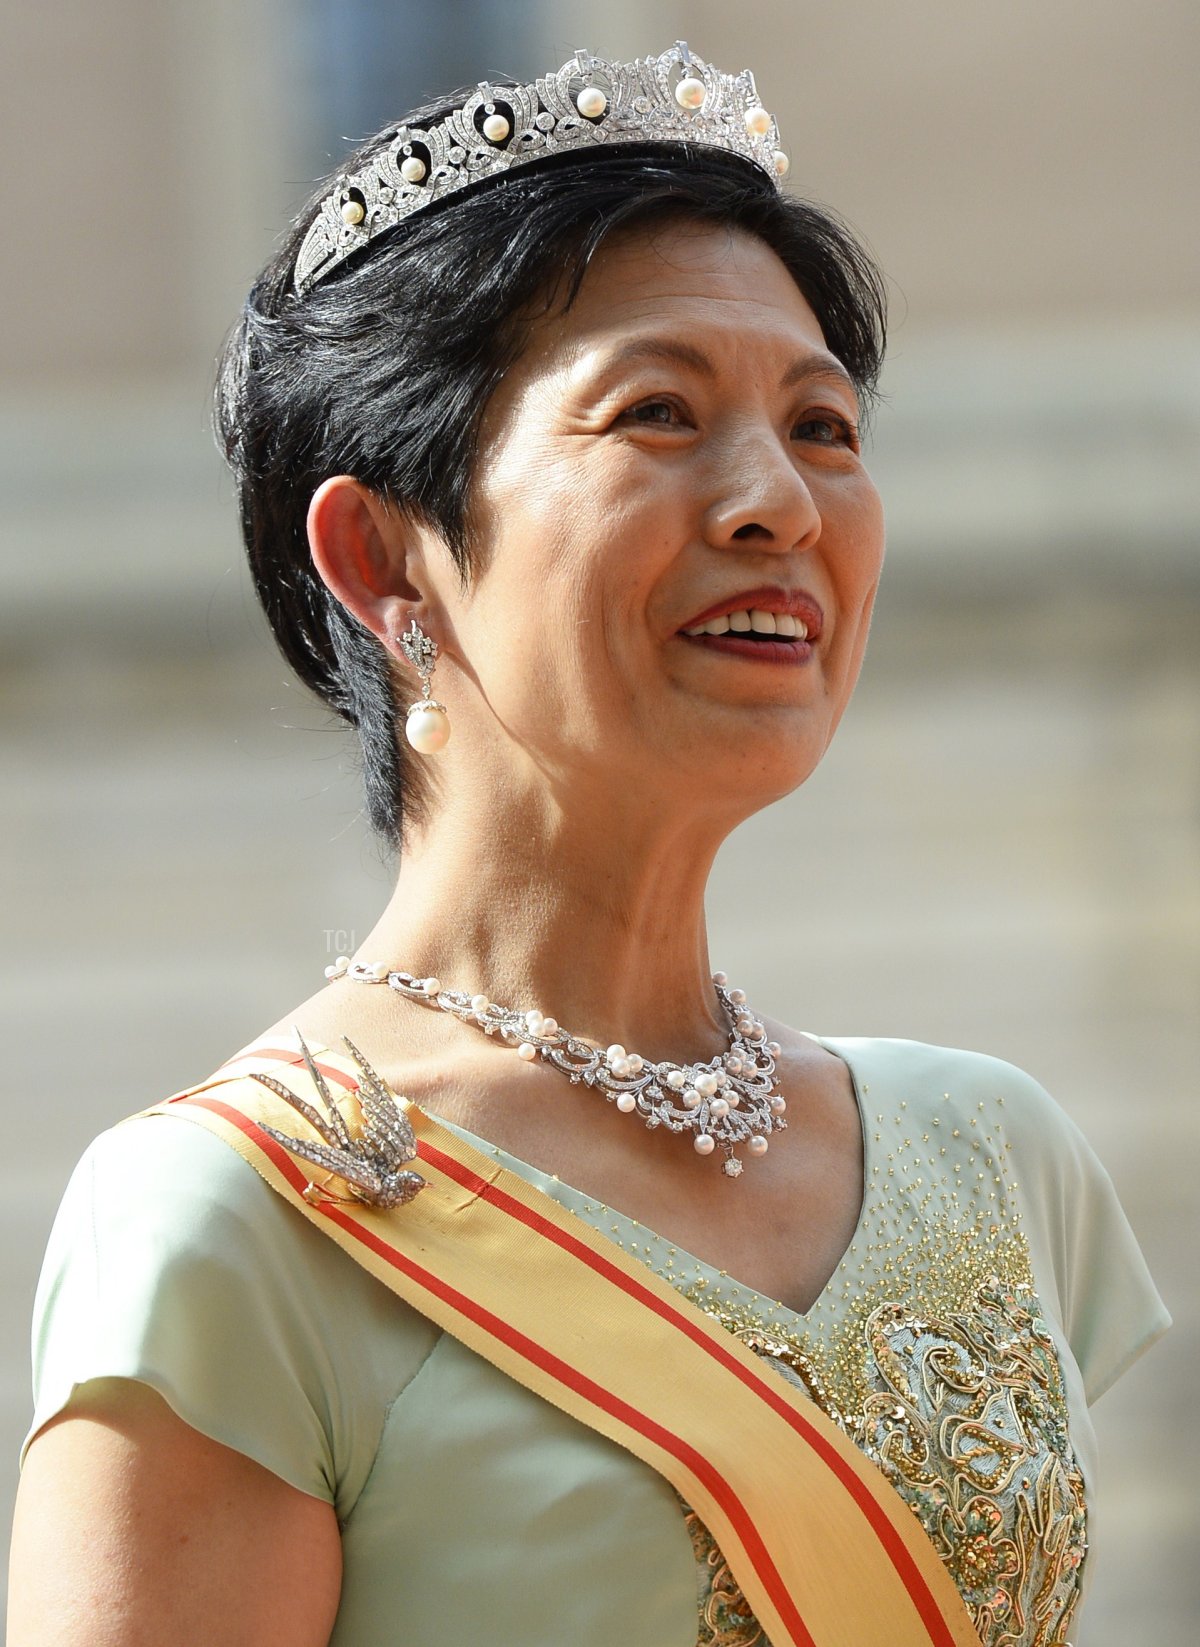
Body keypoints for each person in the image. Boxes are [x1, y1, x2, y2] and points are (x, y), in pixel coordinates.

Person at [8, 43, 1169, 1647]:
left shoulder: (986, 1150)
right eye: (659, 413)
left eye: (824, 426)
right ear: (381, 556)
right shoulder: (242, 1216)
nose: (779, 500)